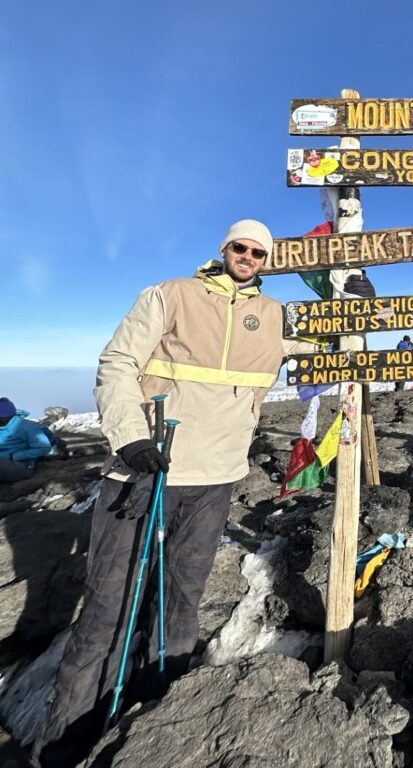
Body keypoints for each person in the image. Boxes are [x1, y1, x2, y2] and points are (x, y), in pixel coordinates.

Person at [33, 219, 374, 765]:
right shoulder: (171, 295)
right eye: (241, 247)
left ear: (267, 260)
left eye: (259, 252)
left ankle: (151, 724)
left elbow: (328, 350)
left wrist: (362, 309)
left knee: (181, 600)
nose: (249, 257)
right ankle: (63, 743)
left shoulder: (274, 317)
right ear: (224, 250)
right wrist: (130, 439)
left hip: (216, 479)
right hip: (146, 473)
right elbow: (116, 364)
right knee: (105, 609)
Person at [0, 397, 55, 483]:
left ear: (5, 416)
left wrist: (15, 456)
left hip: (22, 466)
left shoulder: (28, 427)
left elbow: (44, 448)